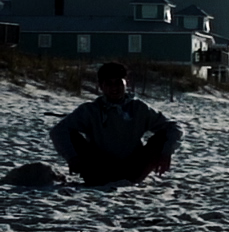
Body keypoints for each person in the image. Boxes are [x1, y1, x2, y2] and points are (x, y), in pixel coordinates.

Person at [50, 61, 183, 186]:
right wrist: (72, 157)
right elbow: (58, 131)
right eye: (109, 83)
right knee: (71, 134)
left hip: (133, 169)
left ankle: (131, 179)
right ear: (101, 86)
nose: (114, 88)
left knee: (162, 137)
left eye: (118, 83)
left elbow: (174, 127)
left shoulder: (139, 108)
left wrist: (166, 152)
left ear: (126, 83)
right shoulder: (90, 110)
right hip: (99, 168)